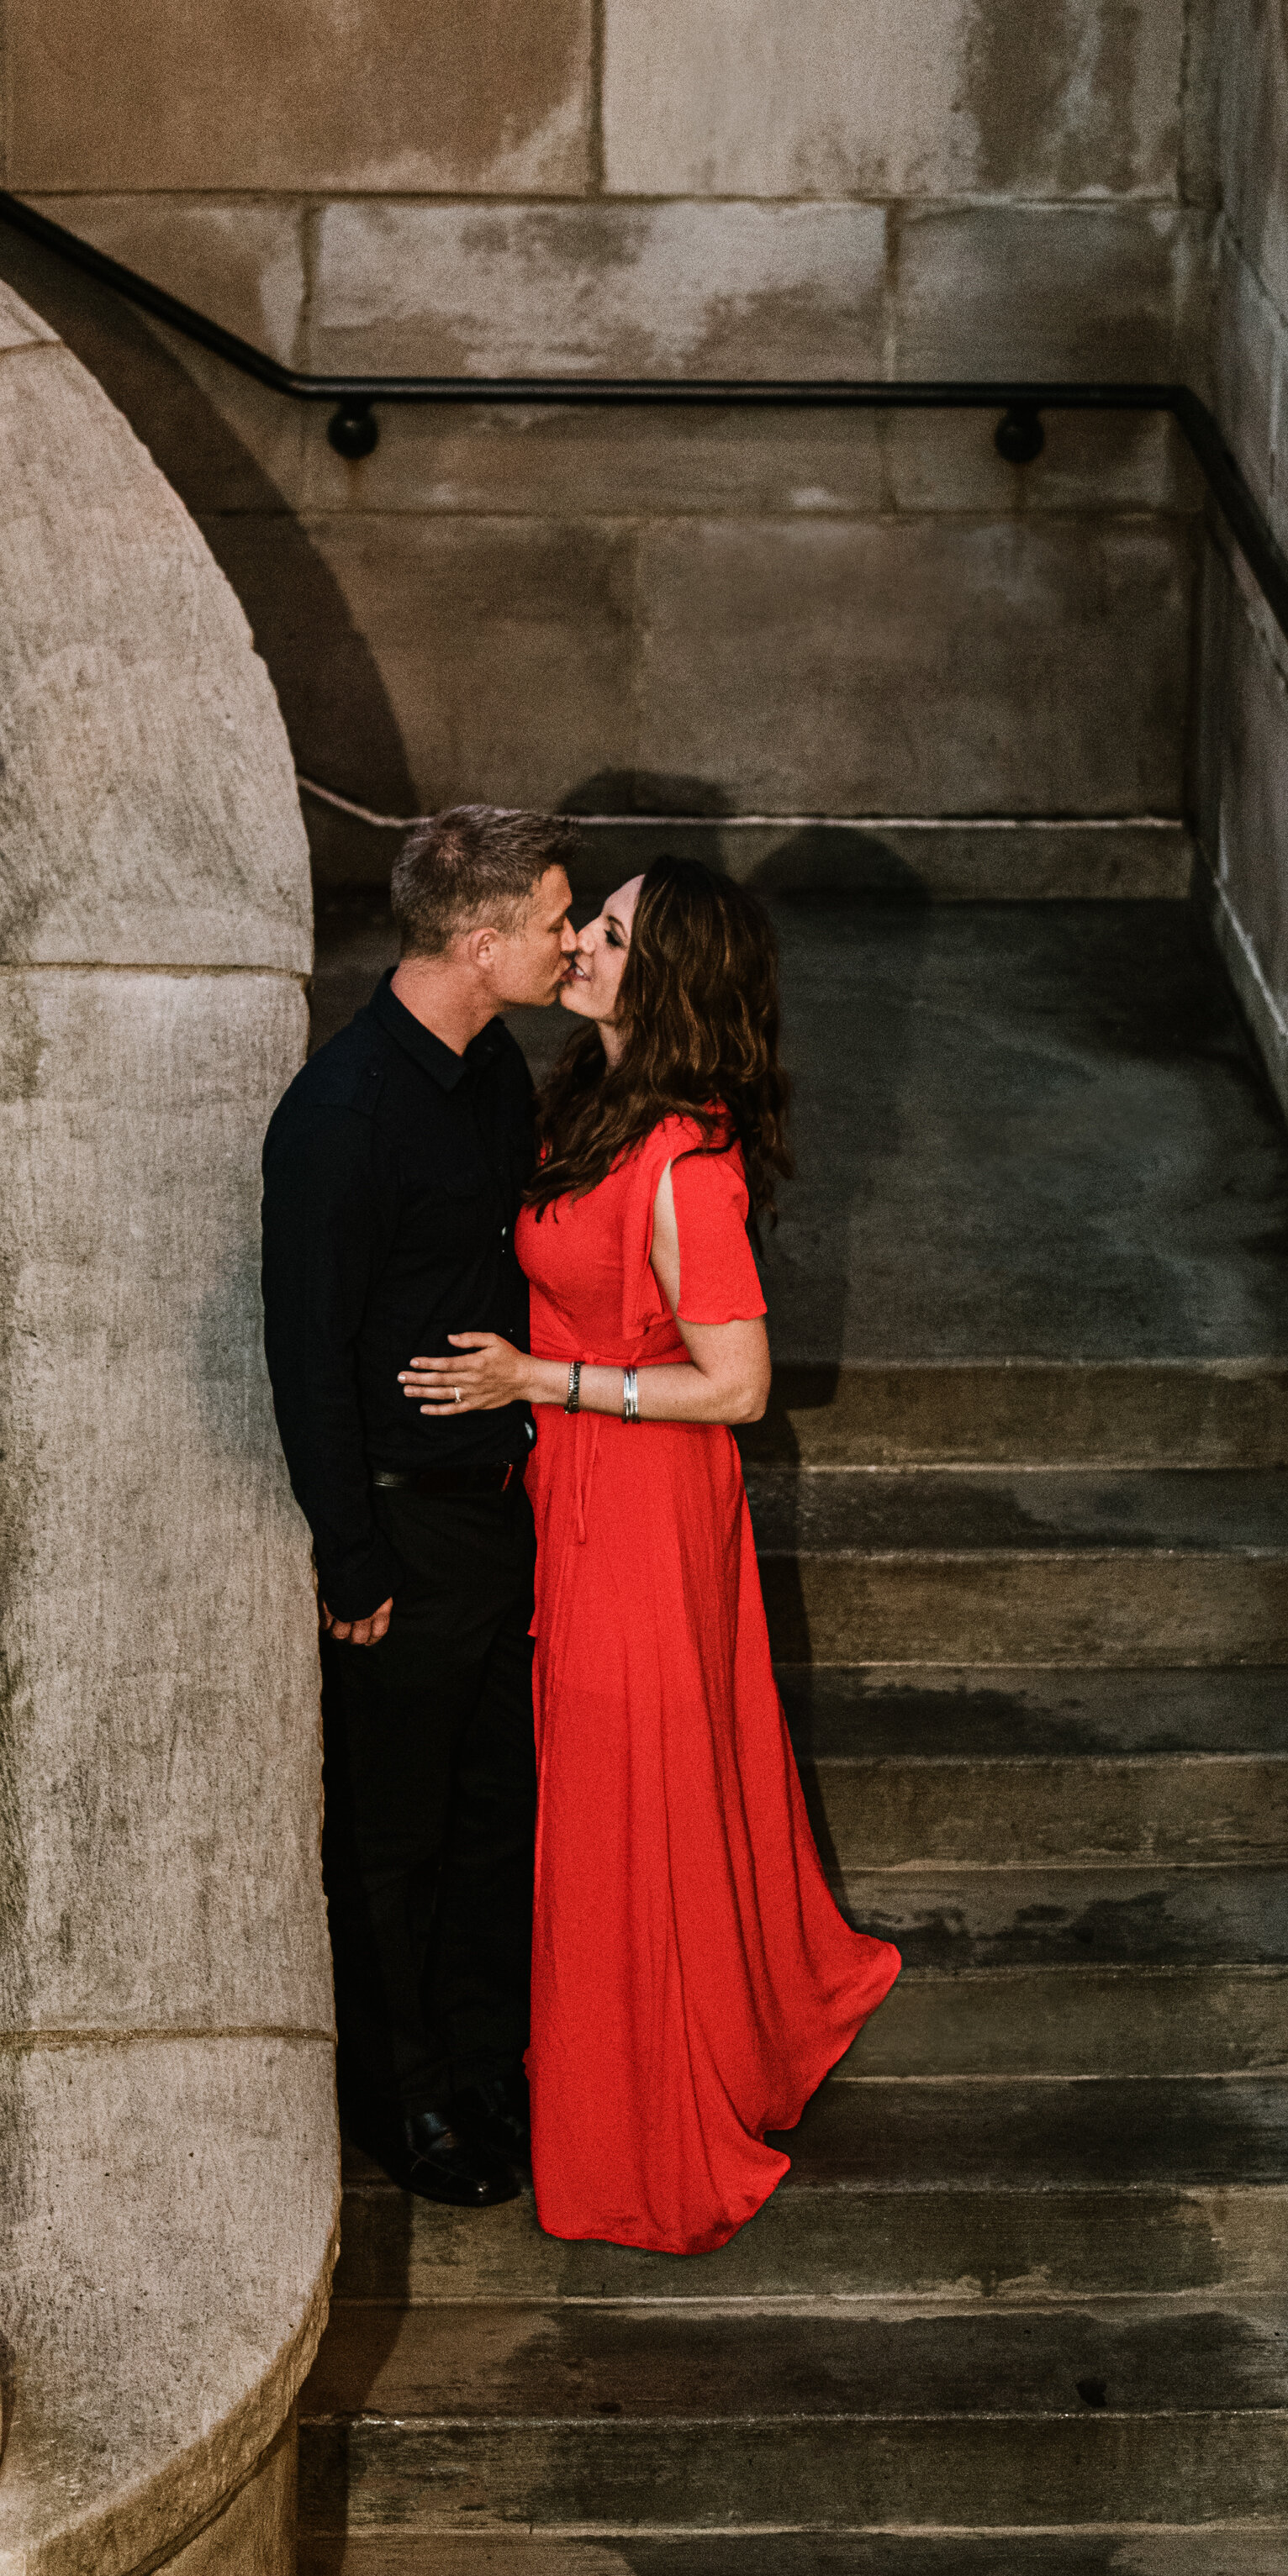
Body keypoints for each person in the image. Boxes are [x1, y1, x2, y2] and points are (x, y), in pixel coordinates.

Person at [399, 856, 900, 2256]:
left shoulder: (683, 1162)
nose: (580, 944)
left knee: (624, 1801)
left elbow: (737, 1384)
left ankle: (649, 2110)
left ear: (662, 977)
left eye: (608, 934)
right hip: (578, 1489)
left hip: (636, 1499)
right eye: (589, 923)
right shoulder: (588, 1098)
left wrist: (540, 1381)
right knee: (592, 1788)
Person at [261, 805, 578, 2209]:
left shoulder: (496, 1068)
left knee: (495, 1811)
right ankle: (405, 2105)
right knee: (390, 1835)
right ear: (482, 939)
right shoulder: (341, 1114)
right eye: (557, 922)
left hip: (502, 1506)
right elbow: (306, 1349)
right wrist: (352, 1556)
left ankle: (481, 2065)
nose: (572, 942)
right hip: (401, 1525)